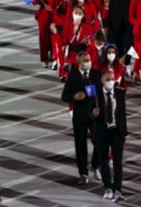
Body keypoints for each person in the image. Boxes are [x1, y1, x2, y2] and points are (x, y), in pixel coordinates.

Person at [61, 52, 100, 184]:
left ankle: (95, 165)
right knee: (80, 144)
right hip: (80, 115)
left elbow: (100, 92)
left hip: (94, 115)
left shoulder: (95, 74)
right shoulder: (73, 77)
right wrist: (74, 98)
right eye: (85, 61)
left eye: (89, 59)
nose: (88, 62)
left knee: (99, 141)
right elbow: (64, 96)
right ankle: (83, 172)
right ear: (79, 63)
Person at [92, 69, 127, 202]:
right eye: (107, 79)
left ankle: (118, 189)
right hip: (102, 131)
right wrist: (93, 113)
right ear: (102, 80)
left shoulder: (120, 92)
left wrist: (123, 132)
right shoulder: (95, 94)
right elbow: (90, 111)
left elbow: (122, 114)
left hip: (117, 132)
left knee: (118, 162)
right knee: (103, 161)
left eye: (112, 79)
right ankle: (108, 187)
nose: (110, 82)